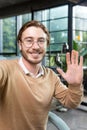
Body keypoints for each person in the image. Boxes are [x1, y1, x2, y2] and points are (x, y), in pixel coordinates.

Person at [0, 20, 83, 130]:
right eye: (29, 41)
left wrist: (75, 85)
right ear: (20, 45)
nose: (35, 47)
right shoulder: (5, 68)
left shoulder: (51, 76)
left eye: (41, 41)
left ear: (46, 44)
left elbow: (71, 103)